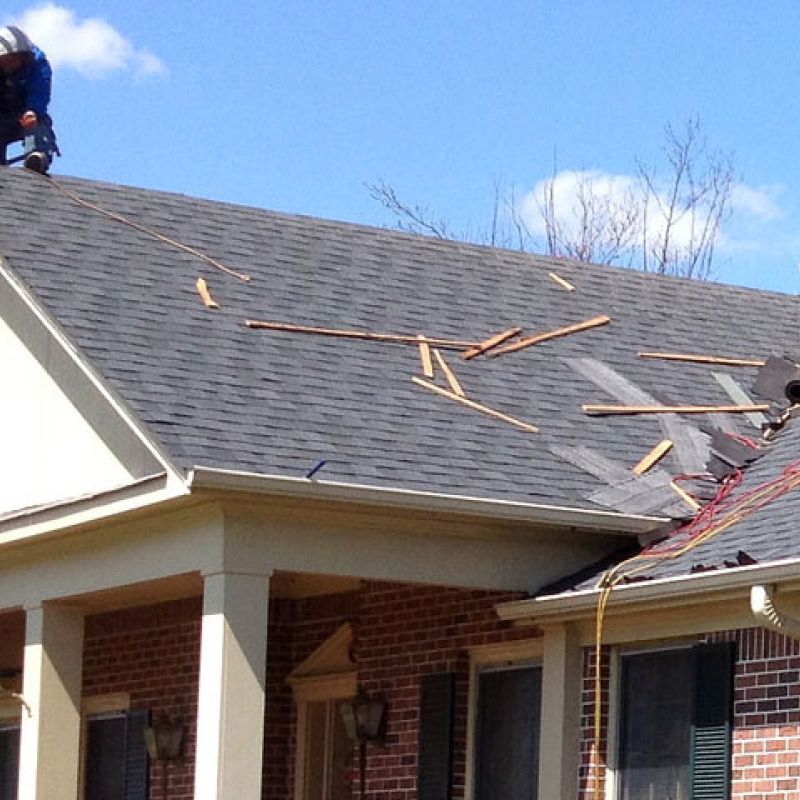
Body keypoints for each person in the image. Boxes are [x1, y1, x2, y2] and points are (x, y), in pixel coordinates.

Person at [0, 25, 58, 174]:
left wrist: (33, 110)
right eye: (4, 60)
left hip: (24, 113)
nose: (8, 64)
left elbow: (40, 92)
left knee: (37, 123)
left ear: (22, 56)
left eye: (11, 60)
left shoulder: (37, 65)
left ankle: (37, 157)